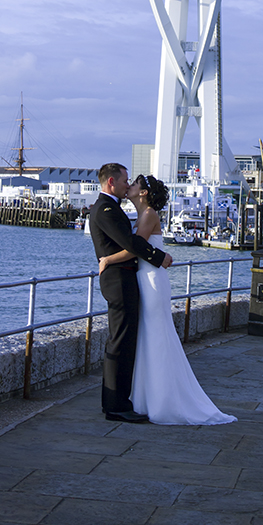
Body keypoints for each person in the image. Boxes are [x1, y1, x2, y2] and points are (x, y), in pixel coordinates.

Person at [99, 173, 237, 426]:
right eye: (127, 181)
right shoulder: (143, 214)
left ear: (143, 193)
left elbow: (134, 248)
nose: (129, 186)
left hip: (151, 280)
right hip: (145, 277)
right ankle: (145, 397)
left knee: (156, 334)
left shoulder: (148, 214)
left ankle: (161, 399)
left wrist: (107, 259)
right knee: (147, 336)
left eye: (134, 184)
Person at [89, 163, 172, 423]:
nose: (128, 185)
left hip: (125, 278)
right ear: (111, 182)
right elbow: (130, 243)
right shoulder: (105, 209)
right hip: (118, 281)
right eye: (126, 180)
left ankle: (118, 402)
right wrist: (159, 256)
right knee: (120, 342)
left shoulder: (111, 207)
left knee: (124, 341)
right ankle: (116, 406)